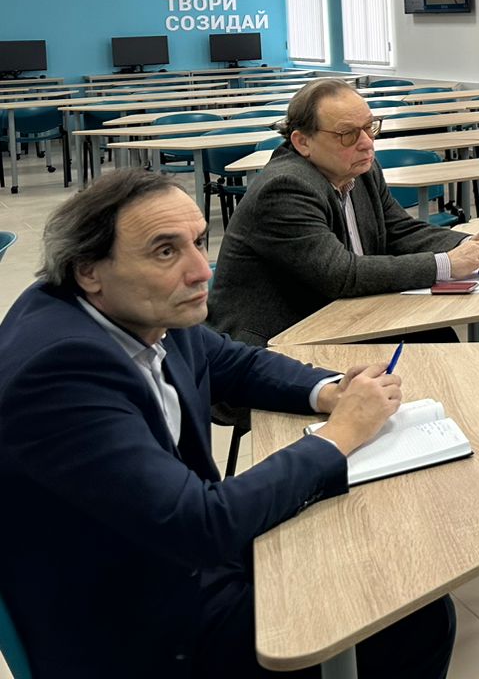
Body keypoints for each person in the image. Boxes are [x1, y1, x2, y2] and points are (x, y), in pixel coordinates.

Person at [0, 170, 455, 678]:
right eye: (165, 251)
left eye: (199, 242)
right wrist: (342, 433)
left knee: (375, 558)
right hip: (134, 624)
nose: (202, 271)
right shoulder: (60, 370)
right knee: (415, 617)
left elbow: (235, 363)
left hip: (169, 556)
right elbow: (200, 526)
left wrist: (330, 392)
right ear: (89, 270)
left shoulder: (140, 308)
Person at [209, 78, 479, 347]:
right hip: (280, 339)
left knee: (439, 341)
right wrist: (446, 264)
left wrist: (466, 245)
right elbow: (340, 274)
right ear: (302, 142)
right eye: (347, 134)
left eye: (369, 127)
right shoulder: (286, 187)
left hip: (341, 316)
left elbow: (399, 230)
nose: (367, 143)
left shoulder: (360, 168)